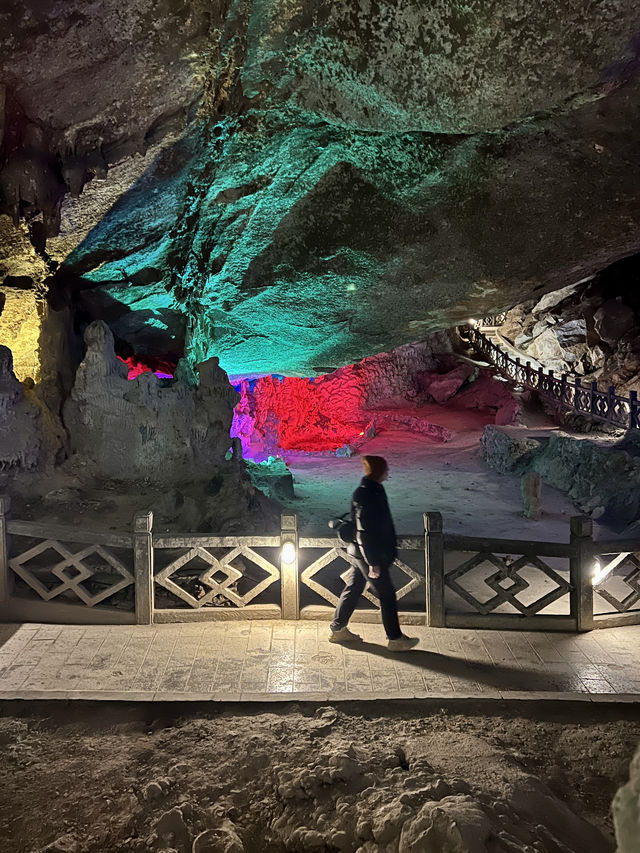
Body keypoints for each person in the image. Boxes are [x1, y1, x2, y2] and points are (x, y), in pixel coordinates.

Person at [329, 455, 419, 651]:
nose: (388, 472)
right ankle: (395, 639)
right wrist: (373, 563)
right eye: (386, 469)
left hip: (362, 552)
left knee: (354, 587)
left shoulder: (370, 491)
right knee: (386, 594)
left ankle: (338, 628)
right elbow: (364, 531)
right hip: (369, 554)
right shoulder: (368, 494)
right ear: (379, 471)